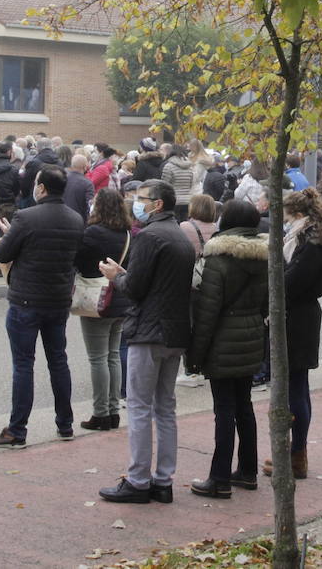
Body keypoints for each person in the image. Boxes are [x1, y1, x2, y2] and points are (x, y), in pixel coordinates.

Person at [97, 180, 195, 504]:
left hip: (149, 331)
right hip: (175, 330)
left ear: (157, 204)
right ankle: (163, 479)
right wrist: (126, 273)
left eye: (141, 199)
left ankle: (138, 479)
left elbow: (136, 288)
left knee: (139, 406)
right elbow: (153, 282)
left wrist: (116, 277)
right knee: (165, 407)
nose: (136, 204)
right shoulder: (180, 235)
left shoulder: (150, 236)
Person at [0, 165, 84, 447]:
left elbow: (3, 252)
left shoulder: (26, 217)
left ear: (41, 188)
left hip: (26, 300)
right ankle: (65, 423)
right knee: (58, 361)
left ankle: (17, 429)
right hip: (58, 299)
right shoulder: (75, 219)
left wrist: (8, 234)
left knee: (23, 365)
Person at [185, 199, 268, 497]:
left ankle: (219, 477)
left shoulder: (217, 259)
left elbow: (207, 313)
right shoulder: (264, 258)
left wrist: (194, 357)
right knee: (244, 406)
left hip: (223, 339)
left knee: (224, 409)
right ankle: (247, 470)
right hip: (251, 335)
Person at [266, 188, 322, 479]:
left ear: (297, 213)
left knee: (294, 386)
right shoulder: (311, 235)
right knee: (297, 385)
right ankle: (294, 452)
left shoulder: (311, 239)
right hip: (301, 314)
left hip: (298, 317)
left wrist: (273, 273)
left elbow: (292, 280)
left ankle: (296, 454)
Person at [75, 188, 132, 431]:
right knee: (112, 355)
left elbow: (79, 261)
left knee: (97, 357)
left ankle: (100, 413)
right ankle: (113, 410)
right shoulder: (127, 233)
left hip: (96, 297)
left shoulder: (92, 233)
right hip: (120, 297)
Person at [161, 145, 197, 221]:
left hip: (173, 201)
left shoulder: (168, 166)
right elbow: (191, 184)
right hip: (187, 201)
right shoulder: (189, 167)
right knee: (184, 224)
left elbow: (164, 186)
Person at [64, 152, 96, 220]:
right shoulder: (87, 184)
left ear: (72, 166)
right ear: (85, 167)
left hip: (62, 218)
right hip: (79, 220)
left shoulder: (62, 179)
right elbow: (90, 206)